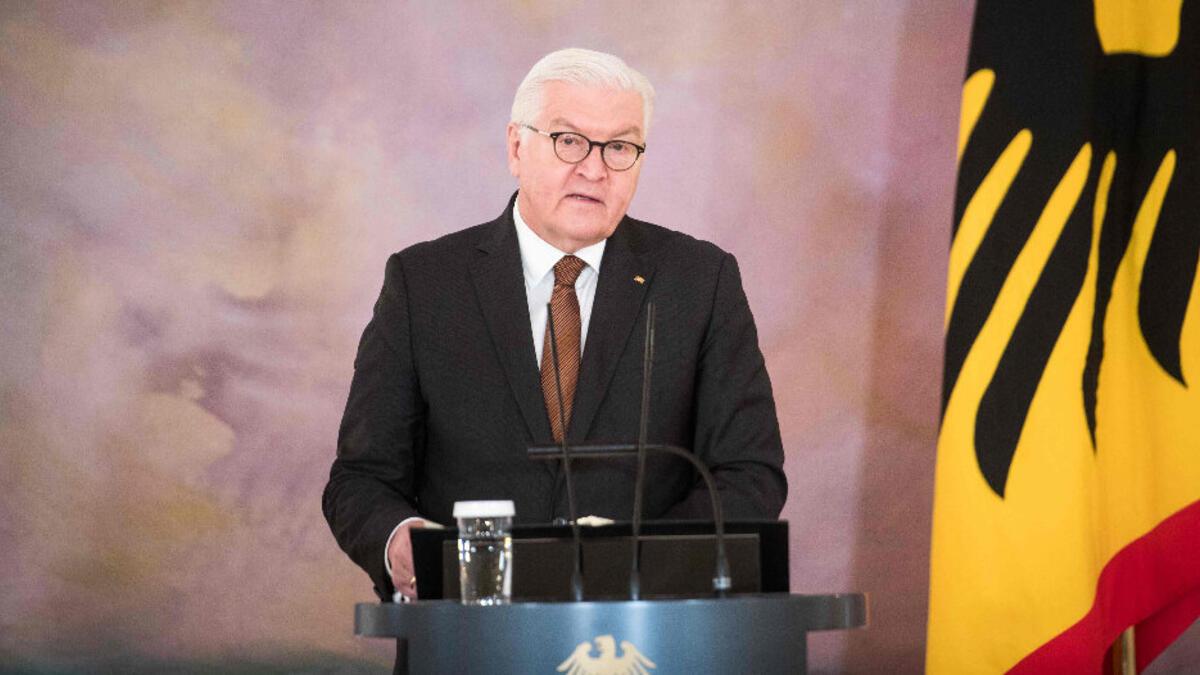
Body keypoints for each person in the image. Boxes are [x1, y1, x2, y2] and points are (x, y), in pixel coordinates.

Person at [323, 48, 786, 605]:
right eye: (569, 141)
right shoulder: (424, 284)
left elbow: (749, 474)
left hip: (644, 630)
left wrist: (632, 565)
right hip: (471, 626)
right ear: (516, 147)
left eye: (619, 147)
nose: (594, 169)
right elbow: (362, 479)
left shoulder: (699, 281)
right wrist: (401, 540)